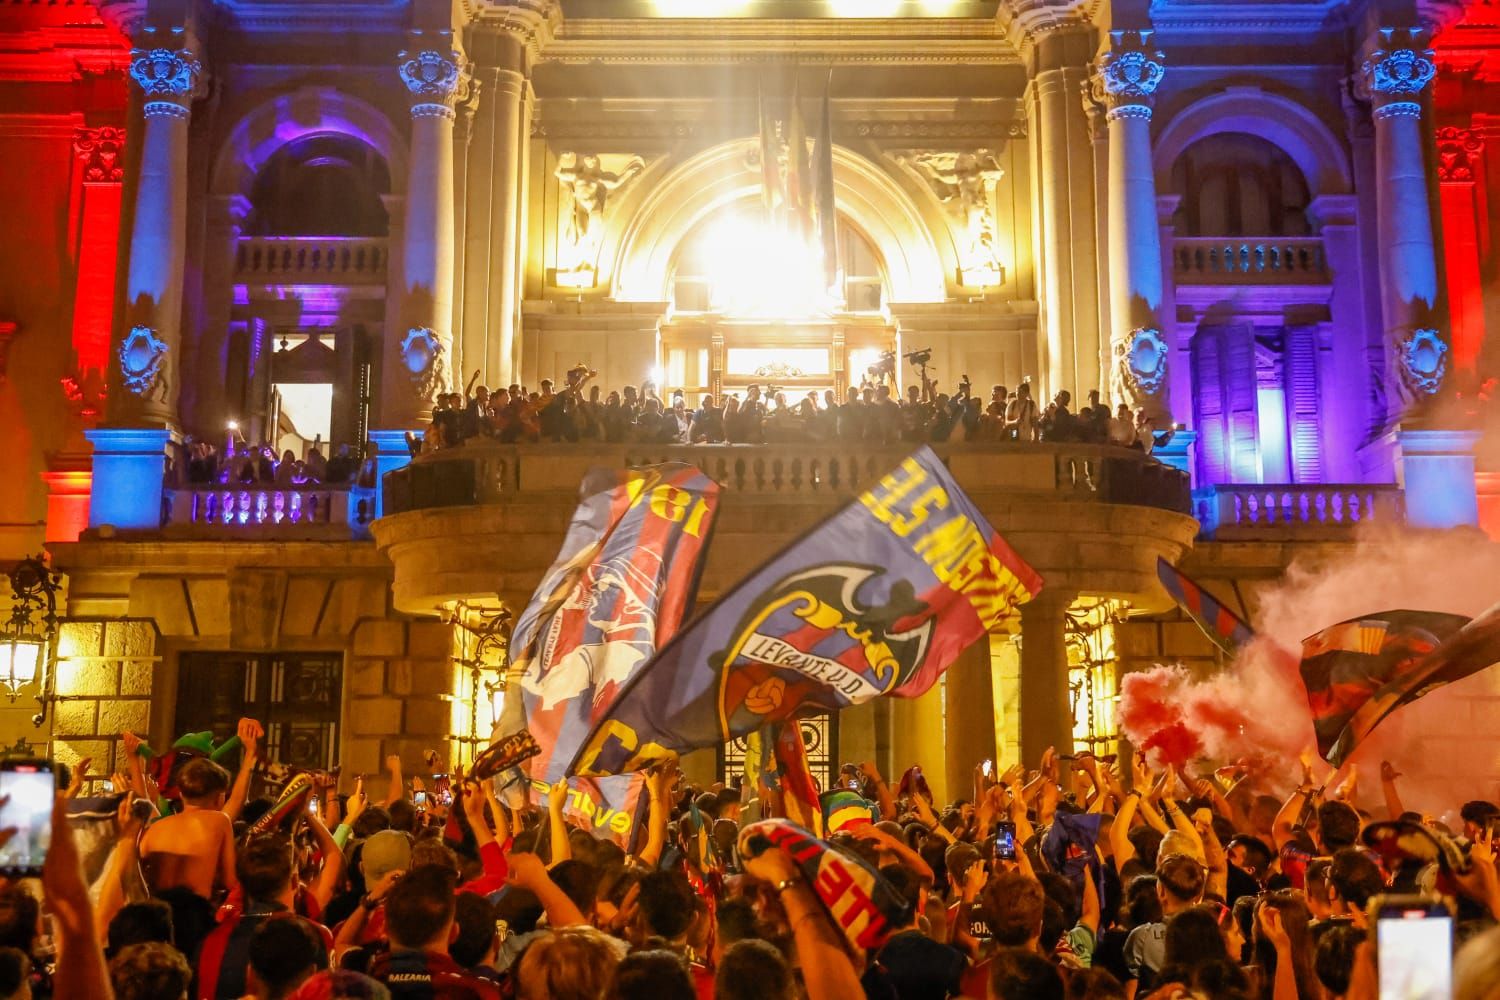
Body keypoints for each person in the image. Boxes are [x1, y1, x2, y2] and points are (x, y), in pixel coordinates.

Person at [366, 865, 501, 999]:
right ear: (454, 934)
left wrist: (367, 903)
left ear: (384, 929)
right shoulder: (479, 993)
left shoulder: (359, 981)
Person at [139, 757, 238, 900]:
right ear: (220, 797)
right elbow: (229, 881)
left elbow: (136, 870)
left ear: (181, 794)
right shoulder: (220, 820)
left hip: (157, 908)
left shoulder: (156, 827)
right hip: (195, 908)